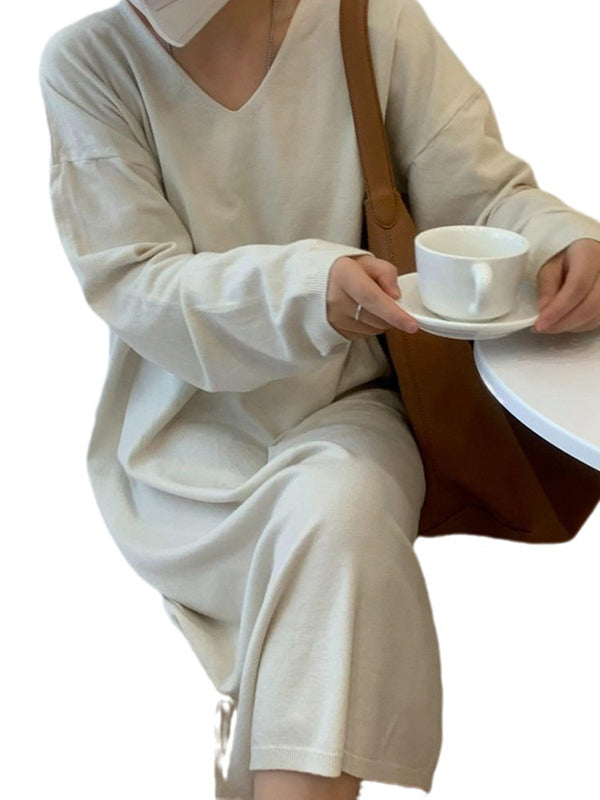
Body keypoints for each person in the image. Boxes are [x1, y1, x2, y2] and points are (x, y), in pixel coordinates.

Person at [37, 1, 600, 799]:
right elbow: (135, 281)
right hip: (181, 440)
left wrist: (561, 241)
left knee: (341, 511)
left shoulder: (368, 22)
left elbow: (482, 197)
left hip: (348, 404)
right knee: (325, 557)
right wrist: (309, 288)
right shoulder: (89, 62)